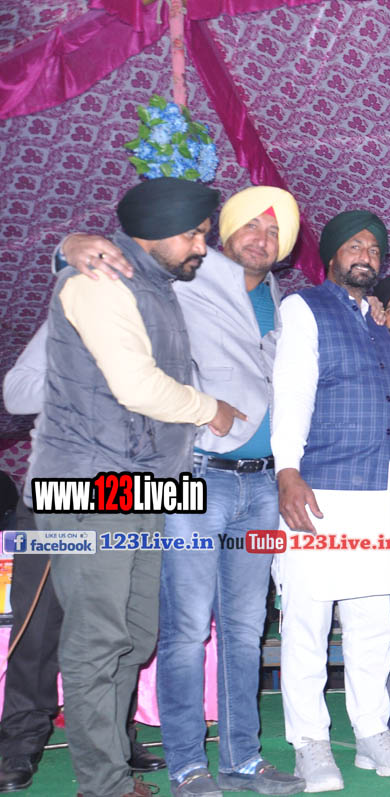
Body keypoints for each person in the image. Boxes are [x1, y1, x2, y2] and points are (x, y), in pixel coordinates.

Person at [58, 186, 306, 796]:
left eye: (275, 231)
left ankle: (242, 761)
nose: (262, 239)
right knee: (187, 630)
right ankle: (189, 766)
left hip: (261, 487)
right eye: (251, 226)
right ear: (223, 232)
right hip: (196, 475)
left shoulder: (279, 298)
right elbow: (124, 261)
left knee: (246, 630)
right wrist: (71, 245)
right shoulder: (189, 274)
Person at [31, 177, 241, 797]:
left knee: (137, 632)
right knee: (99, 636)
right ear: (154, 231)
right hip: (87, 484)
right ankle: (103, 783)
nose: (202, 245)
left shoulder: (155, 284)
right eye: (194, 234)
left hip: (144, 484)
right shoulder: (99, 279)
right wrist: (211, 409)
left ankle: (114, 760)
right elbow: (137, 387)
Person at [271, 210, 390, 790]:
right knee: (307, 623)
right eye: (355, 246)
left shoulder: (380, 325)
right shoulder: (304, 307)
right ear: (332, 255)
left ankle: (371, 732)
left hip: (373, 493)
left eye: (375, 249)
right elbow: (291, 392)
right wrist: (287, 471)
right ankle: (310, 742)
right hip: (317, 489)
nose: (367, 255)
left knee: (371, 624)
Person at [0, 326, 165, 791]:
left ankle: (115, 740)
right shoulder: (73, 315)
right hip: (63, 487)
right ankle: (22, 741)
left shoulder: (172, 321)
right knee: (41, 625)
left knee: (126, 629)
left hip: (138, 491)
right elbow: (16, 393)